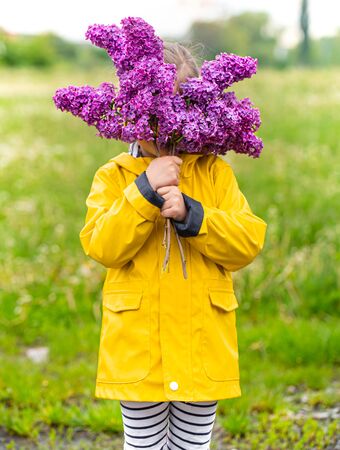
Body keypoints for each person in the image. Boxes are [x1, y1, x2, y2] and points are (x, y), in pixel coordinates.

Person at [79, 41, 267, 450]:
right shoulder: (113, 176)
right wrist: (143, 191)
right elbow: (102, 246)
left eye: (179, 116)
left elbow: (247, 242)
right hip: (139, 349)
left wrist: (194, 216)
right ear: (130, 111)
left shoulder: (215, 173)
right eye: (152, 119)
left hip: (203, 345)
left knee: (191, 446)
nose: (166, 133)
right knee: (143, 445)